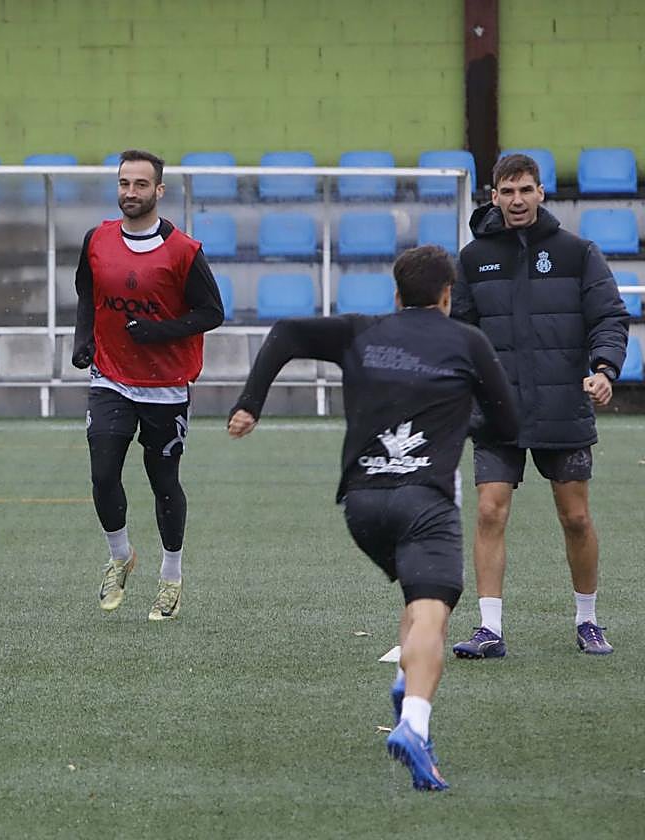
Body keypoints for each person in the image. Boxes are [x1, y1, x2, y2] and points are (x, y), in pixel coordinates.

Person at [227, 245, 518, 791]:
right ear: (447, 295)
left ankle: (408, 674)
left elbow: (287, 331)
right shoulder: (467, 342)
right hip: (423, 500)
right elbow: (506, 420)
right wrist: (462, 412)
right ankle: (414, 723)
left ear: (396, 293)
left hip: (361, 506)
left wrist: (251, 403)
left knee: (417, 591)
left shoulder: (361, 330)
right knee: (434, 612)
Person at [450, 153, 629, 659]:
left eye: (525, 190)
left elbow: (610, 318)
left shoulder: (579, 253)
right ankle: (489, 630)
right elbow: (461, 335)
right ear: (493, 197)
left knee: (575, 518)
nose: (517, 200)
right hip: (497, 410)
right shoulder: (472, 258)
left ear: (541, 193)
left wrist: (604, 370)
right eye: (507, 192)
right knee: (489, 510)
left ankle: (588, 620)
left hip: (562, 405)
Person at [73, 149, 223, 621]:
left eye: (140, 185)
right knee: (102, 472)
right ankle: (119, 556)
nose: (130, 193)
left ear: (159, 191)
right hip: (111, 378)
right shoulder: (96, 239)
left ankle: (171, 576)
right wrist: (83, 341)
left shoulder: (184, 251)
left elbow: (211, 313)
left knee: (163, 482)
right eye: (123, 183)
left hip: (165, 386)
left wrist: (158, 331)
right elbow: (86, 293)